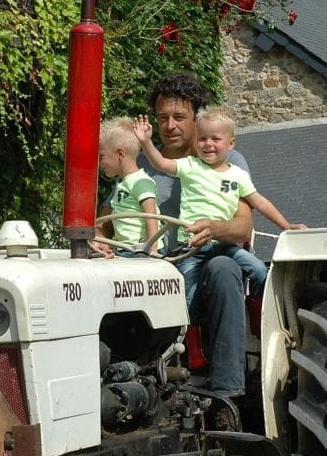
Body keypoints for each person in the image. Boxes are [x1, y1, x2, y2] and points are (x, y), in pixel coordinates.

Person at [98, 73, 252, 396]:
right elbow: (106, 221)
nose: (170, 126)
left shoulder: (227, 161)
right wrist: (97, 239)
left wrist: (215, 228)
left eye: (179, 117)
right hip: (154, 267)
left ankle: (227, 393)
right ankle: (124, 386)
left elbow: (243, 225)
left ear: (196, 118)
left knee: (224, 269)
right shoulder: (139, 165)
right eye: (163, 117)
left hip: (207, 261)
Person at [133, 106, 305, 310]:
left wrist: (286, 225)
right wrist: (145, 142)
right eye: (202, 139)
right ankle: (191, 327)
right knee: (188, 294)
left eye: (215, 139)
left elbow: (260, 202)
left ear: (231, 143)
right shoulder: (190, 166)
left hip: (224, 245)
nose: (208, 144)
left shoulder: (238, 175)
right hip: (191, 247)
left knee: (259, 270)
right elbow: (160, 163)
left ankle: (257, 311)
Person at [95, 117, 160, 254]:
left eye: (101, 157)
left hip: (140, 250)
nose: (99, 163)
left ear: (120, 153)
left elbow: (151, 215)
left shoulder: (141, 181)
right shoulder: (123, 184)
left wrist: (152, 249)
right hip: (126, 248)